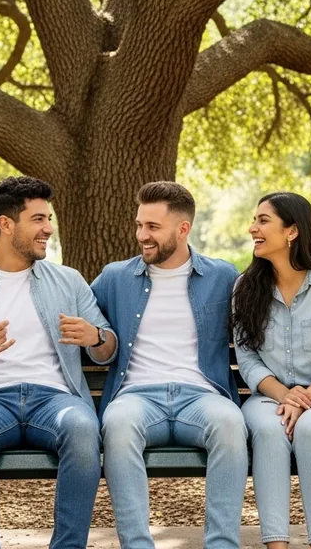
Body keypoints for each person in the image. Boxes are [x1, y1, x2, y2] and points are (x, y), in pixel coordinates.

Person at [0, 176, 116, 549]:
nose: (48, 228)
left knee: (83, 428)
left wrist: (94, 338)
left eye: (48, 219)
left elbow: (107, 349)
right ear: (6, 224)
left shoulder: (68, 280)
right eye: (38, 219)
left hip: (55, 399)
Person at [91, 181, 248, 549]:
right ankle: (137, 545)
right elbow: (84, 320)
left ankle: (222, 544)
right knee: (117, 423)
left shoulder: (223, 276)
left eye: (152, 227)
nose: (141, 235)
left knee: (230, 422)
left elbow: (256, 331)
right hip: (137, 396)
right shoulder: (115, 277)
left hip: (201, 396)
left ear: (182, 229)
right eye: (139, 225)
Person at [231, 192, 311, 549]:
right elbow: (248, 361)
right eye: (254, 220)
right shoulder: (245, 288)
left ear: (292, 231)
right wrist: (284, 395)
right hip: (268, 398)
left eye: (262, 221)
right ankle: (277, 545)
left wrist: (303, 400)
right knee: (270, 432)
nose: (252, 228)